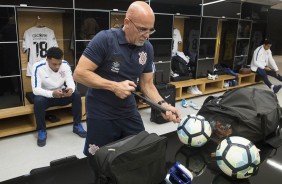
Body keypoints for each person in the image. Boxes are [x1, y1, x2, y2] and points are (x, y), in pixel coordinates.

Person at [73, 1, 181, 156]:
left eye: (150, 30)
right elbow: (80, 73)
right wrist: (114, 86)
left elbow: (147, 84)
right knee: (100, 159)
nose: (147, 35)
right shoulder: (105, 39)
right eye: (142, 29)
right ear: (127, 22)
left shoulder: (147, 48)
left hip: (128, 111)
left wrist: (163, 105)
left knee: (139, 152)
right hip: (101, 113)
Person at [31, 47, 87, 147]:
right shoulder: (37, 67)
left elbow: (70, 81)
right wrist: (52, 93)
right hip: (47, 96)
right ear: (47, 60)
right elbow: (36, 90)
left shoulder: (65, 64)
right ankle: (41, 130)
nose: (57, 66)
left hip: (62, 94)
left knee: (76, 94)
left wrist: (70, 89)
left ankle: (77, 125)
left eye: (59, 63)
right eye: (54, 64)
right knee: (38, 100)